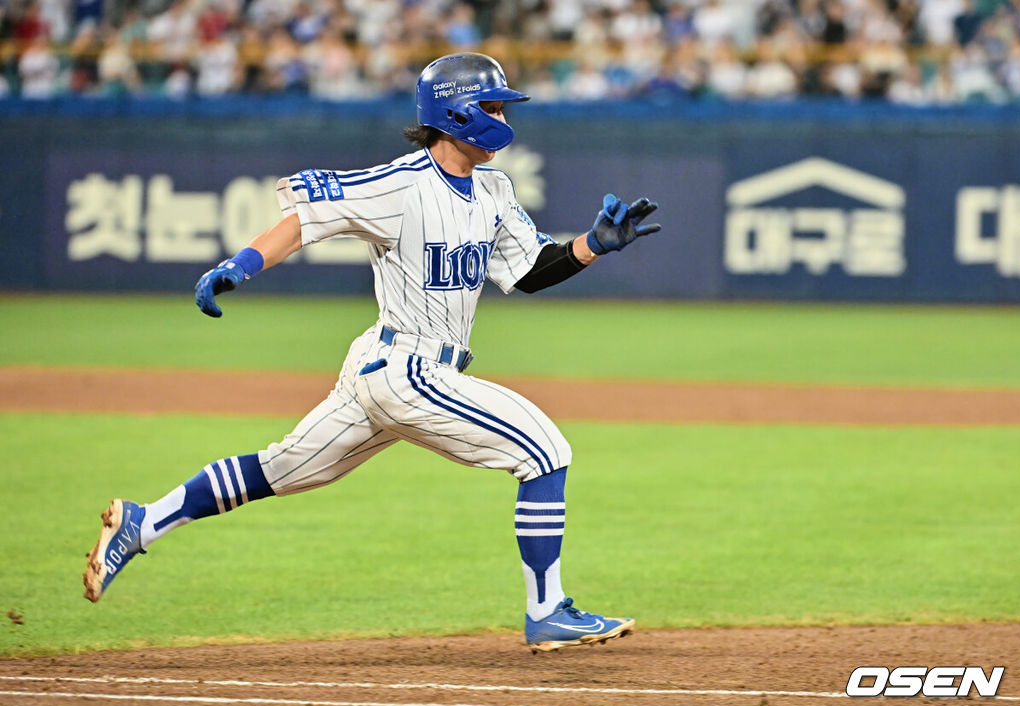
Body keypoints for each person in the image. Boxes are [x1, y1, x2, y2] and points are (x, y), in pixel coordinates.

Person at [83, 52, 661, 653]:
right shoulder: (400, 184)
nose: (500, 116)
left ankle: (141, 522)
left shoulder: (493, 188)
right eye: (490, 105)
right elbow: (307, 218)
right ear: (455, 111)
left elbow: (530, 272)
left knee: (283, 469)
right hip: (405, 370)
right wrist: (240, 265)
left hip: (390, 375)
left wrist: (593, 244)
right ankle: (547, 612)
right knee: (546, 448)